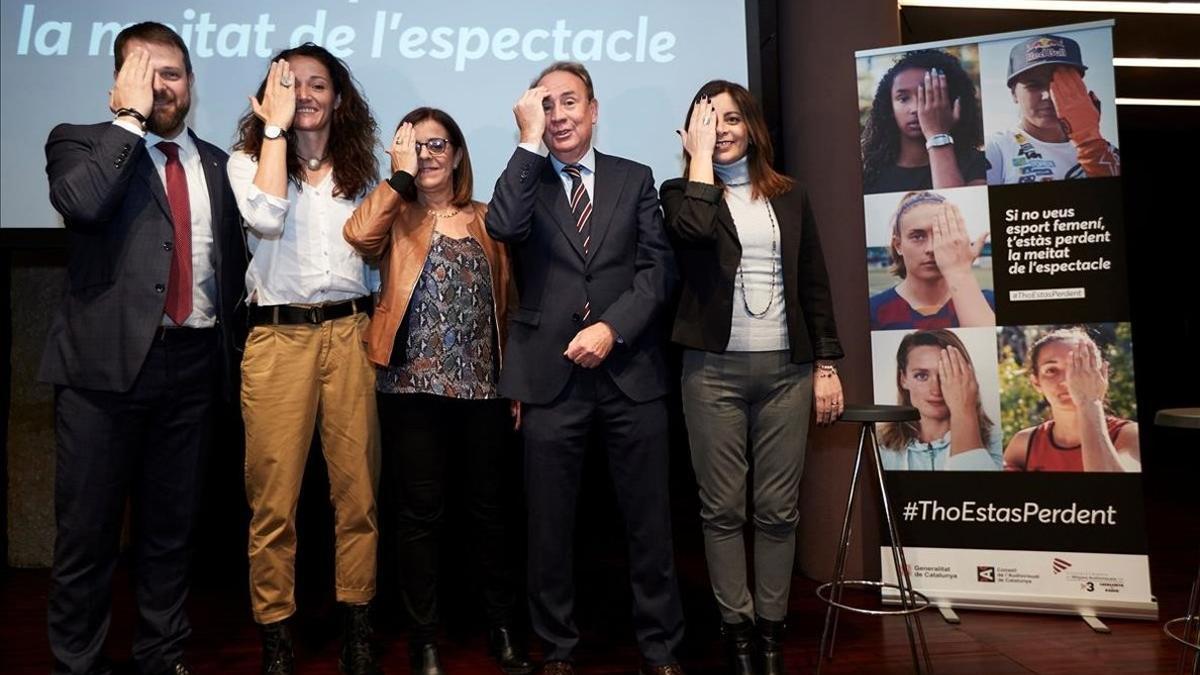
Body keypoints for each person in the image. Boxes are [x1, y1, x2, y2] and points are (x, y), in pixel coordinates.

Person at [41, 21, 247, 675]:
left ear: (191, 83)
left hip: (192, 367)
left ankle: (161, 655)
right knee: (87, 532)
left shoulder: (217, 163)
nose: (164, 84)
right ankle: (76, 662)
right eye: (145, 71)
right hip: (102, 372)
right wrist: (128, 123)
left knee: (171, 529)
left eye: (174, 72)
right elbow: (84, 204)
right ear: (119, 81)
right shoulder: (77, 142)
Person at [485, 61, 685, 675]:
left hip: (630, 370)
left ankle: (662, 648)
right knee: (548, 528)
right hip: (548, 376)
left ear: (594, 110)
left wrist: (611, 328)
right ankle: (558, 650)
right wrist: (525, 144)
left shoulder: (635, 177)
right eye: (546, 106)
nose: (559, 115)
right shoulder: (526, 179)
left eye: (569, 102)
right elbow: (502, 226)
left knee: (650, 522)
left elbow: (658, 272)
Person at [660, 80, 844, 675]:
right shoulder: (680, 194)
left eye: (731, 118)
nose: (722, 129)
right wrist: (698, 160)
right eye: (708, 121)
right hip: (710, 374)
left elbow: (813, 283)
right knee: (721, 512)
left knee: (777, 510)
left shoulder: (790, 196)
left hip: (787, 373)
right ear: (692, 133)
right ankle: (735, 630)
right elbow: (690, 233)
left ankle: (770, 629)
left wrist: (826, 365)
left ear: (753, 125)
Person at [343, 107, 532, 675]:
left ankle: (501, 627)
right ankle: (423, 637)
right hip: (410, 388)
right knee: (420, 516)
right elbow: (357, 234)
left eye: (437, 144)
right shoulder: (394, 218)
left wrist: (517, 383)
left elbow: (513, 305)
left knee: (490, 514)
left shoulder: (487, 219)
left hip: (484, 390)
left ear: (456, 153)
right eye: (413, 145)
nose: (427, 155)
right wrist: (396, 180)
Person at [228, 44, 382, 675]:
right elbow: (264, 217)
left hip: (350, 336)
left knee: (359, 497)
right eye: (292, 84)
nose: (307, 95)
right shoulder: (247, 163)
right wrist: (274, 129)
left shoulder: (362, 176)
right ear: (273, 92)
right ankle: (277, 635)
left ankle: (358, 628)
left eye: (319, 85)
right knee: (273, 501)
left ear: (339, 100)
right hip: (277, 340)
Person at [986, 34, 1120, 184]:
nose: (1048, 95)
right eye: (1034, 85)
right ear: (1014, 94)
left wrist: (1088, 141)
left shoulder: (1105, 151)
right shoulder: (997, 147)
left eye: (1058, 83)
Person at [1003, 328, 1140, 472]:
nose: (1067, 380)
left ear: (1101, 376)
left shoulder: (1129, 436)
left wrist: (1089, 401)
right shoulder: (1024, 444)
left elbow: (1114, 491)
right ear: (1036, 383)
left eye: (1078, 368)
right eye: (1051, 370)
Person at [861, 49, 987, 195]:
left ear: (953, 102)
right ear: (889, 107)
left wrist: (937, 135)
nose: (915, 108)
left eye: (929, 95)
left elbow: (956, 212)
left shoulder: (975, 163)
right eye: (903, 98)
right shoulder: (871, 173)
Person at [868, 190, 994, 330]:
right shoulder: (874, 311)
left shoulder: (989, 303)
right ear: (898, 246)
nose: (932, 248)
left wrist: (960, 272)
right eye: (917, 237)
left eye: (940, 235)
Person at [878, 330, 1002, 471]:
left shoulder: (998, 442)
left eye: (945, 374)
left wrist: (963, 411)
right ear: (903, 379)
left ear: (965, 376)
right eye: (921, 376)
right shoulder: (878, 445)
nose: (936, 390)